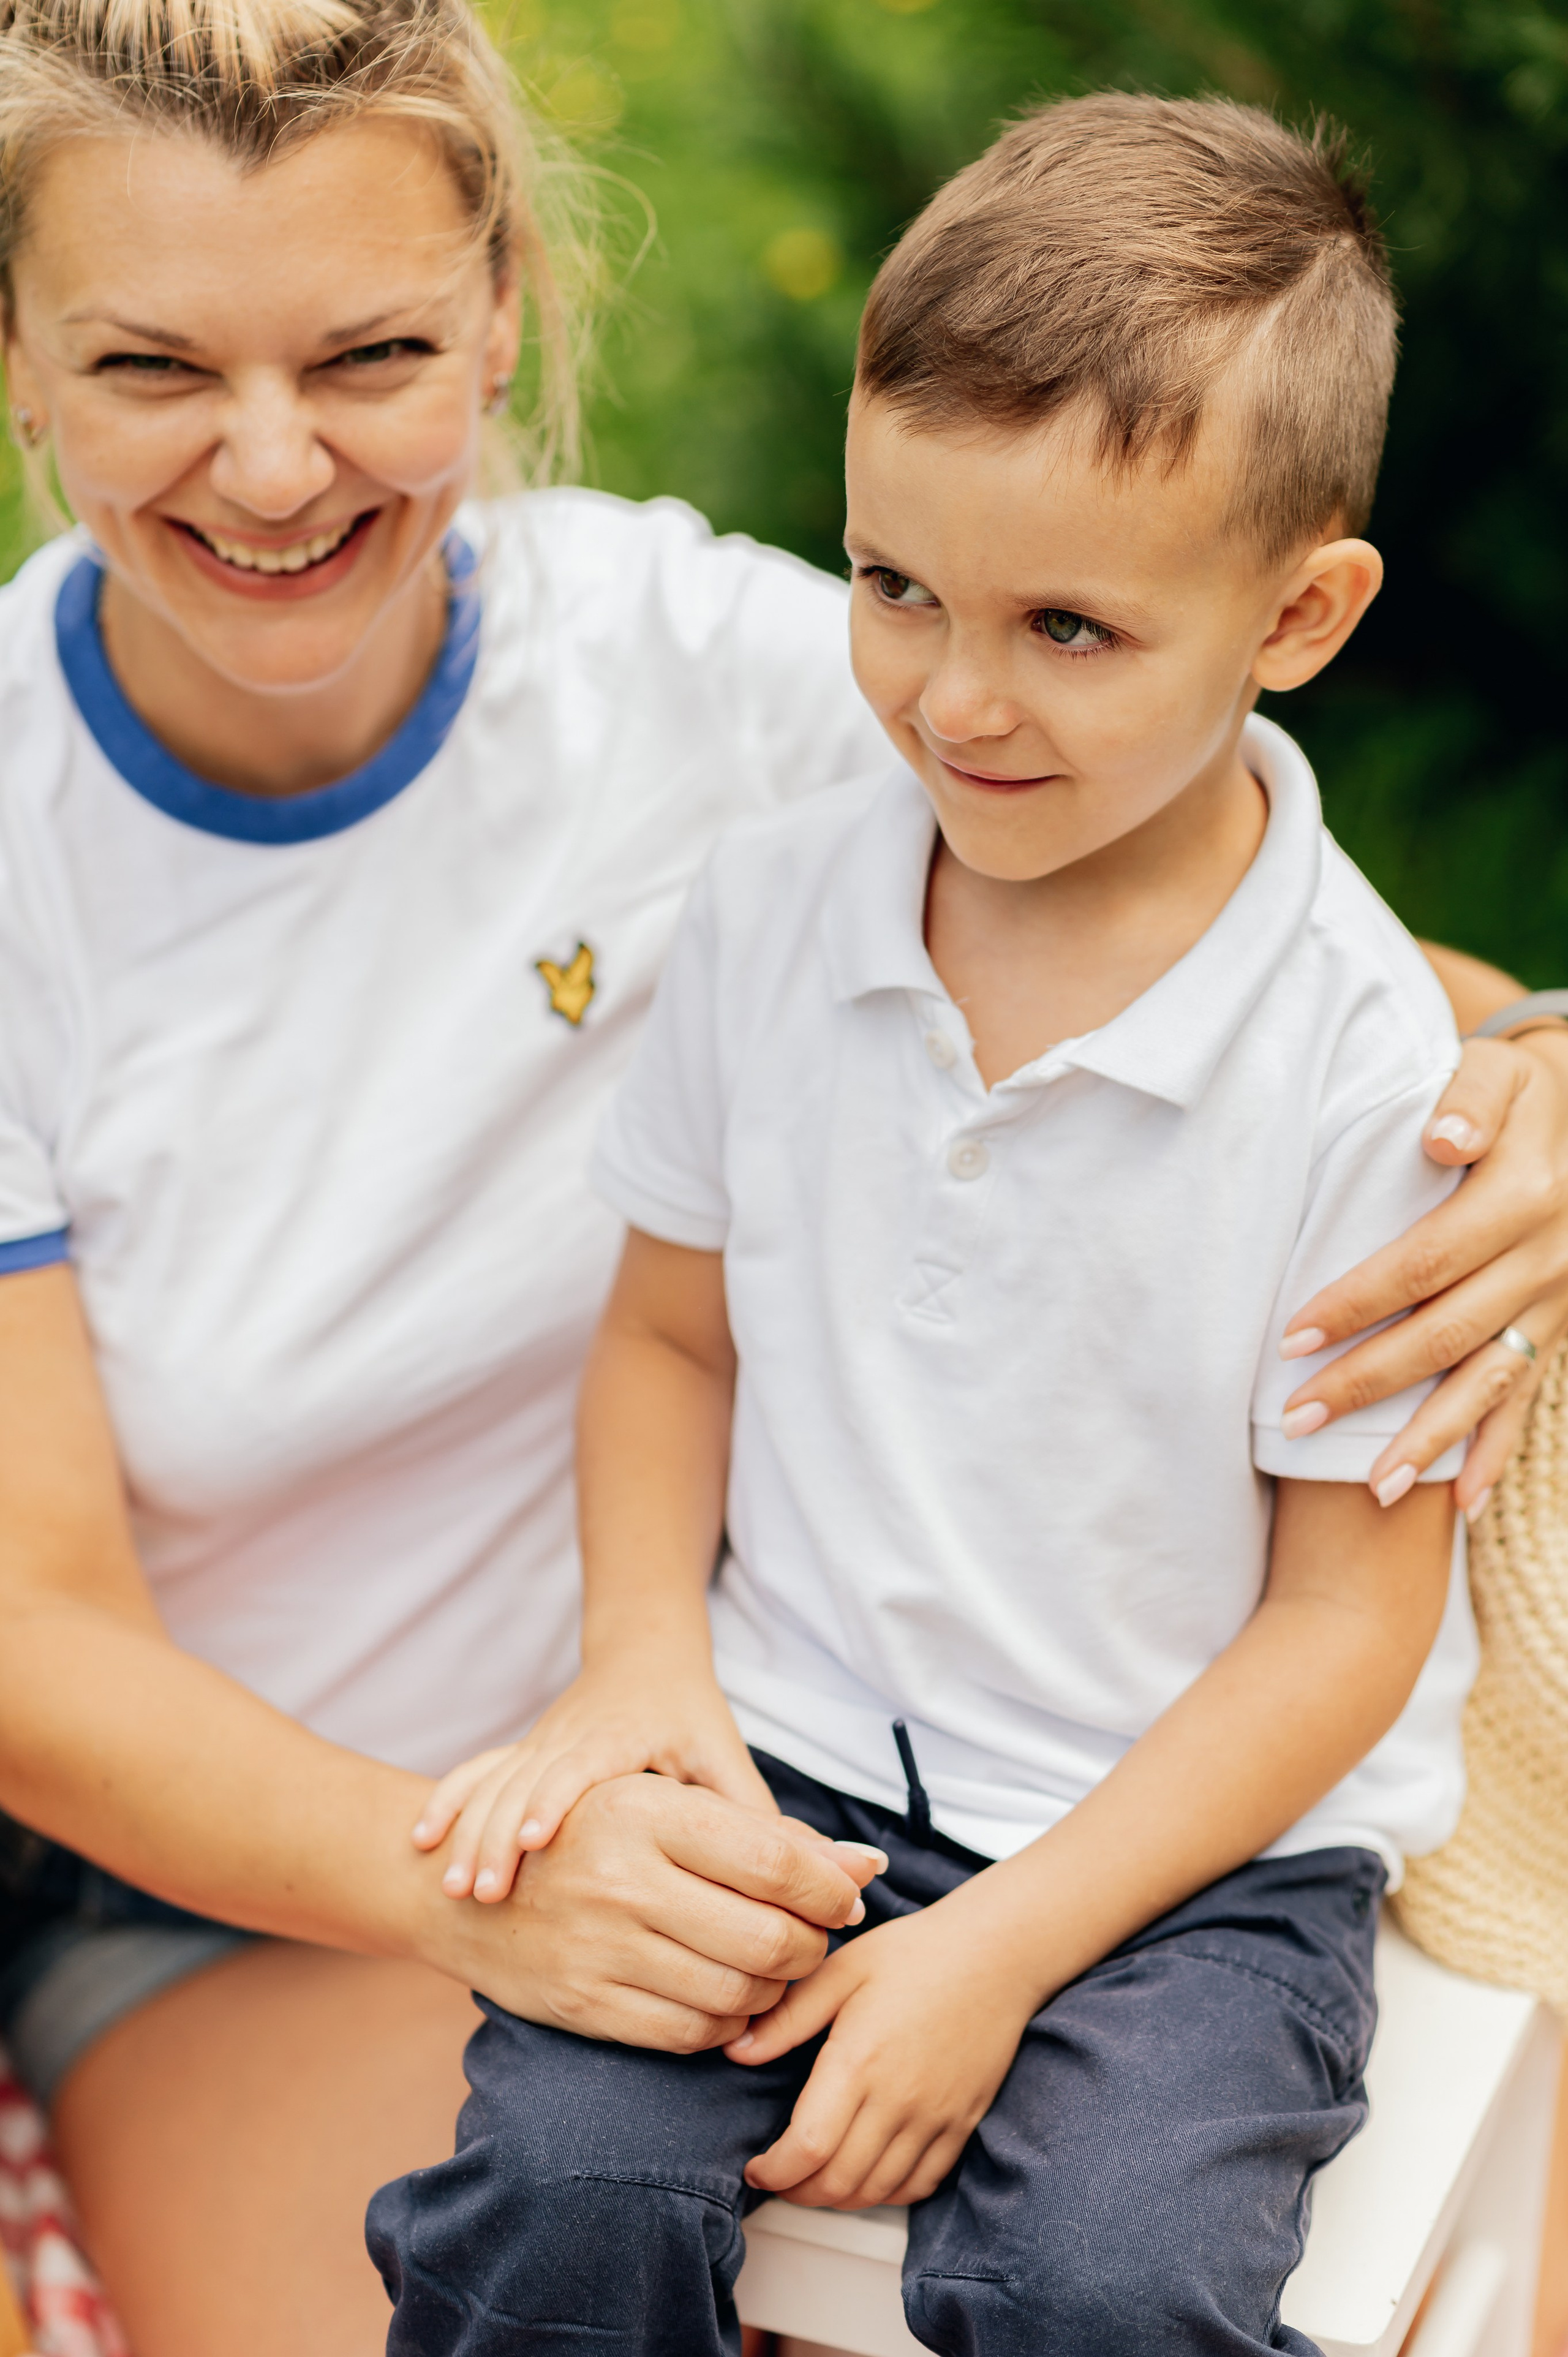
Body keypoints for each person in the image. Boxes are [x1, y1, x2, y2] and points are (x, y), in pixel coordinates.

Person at [0, 10, 1562, 2354]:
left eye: (373, 349)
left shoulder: (750, 672)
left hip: (792, 1756)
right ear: (15, 349)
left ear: (506, 308)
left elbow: (1242, 913)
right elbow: (37, 1644)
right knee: (544, 2247)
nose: (267, 460)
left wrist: (1546, 1056)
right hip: (285, 1876)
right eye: (145, 361)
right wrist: (486, 1893)